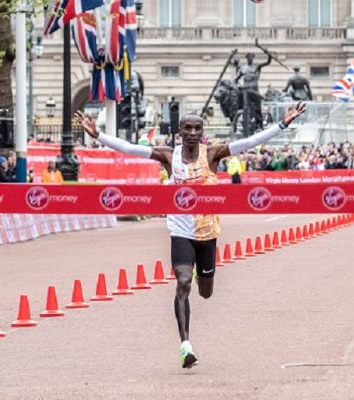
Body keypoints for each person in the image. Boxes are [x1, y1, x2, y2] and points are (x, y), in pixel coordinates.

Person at [75, 101, 308, 369]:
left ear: (202, 132)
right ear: (180, 132)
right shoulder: (167, 156)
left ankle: (201, 275)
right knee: (183, 282)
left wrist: (282, 124)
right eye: (188, 128)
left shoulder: (212, 155)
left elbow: (249, 142)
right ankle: (185, 346)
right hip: (180, 229)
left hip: (207, 231)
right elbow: (131, 149)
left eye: (198, 128)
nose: (193, 132)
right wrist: (98, 135)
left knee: (205, 292)